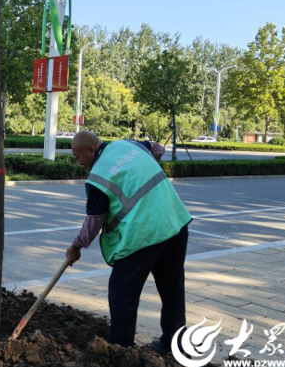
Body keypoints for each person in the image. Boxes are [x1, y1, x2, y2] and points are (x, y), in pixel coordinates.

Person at [65, 131, 191, 354]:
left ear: (91, 150)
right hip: (174, 221)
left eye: (78, 156)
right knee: (172, 288)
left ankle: (121, 349)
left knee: (122, 291)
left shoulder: (98, 177)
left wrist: (76, 247)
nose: (78, 162)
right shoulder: (130, 145)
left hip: (143, 234)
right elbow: (158, 149)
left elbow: (94, 222)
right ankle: (175, 343)